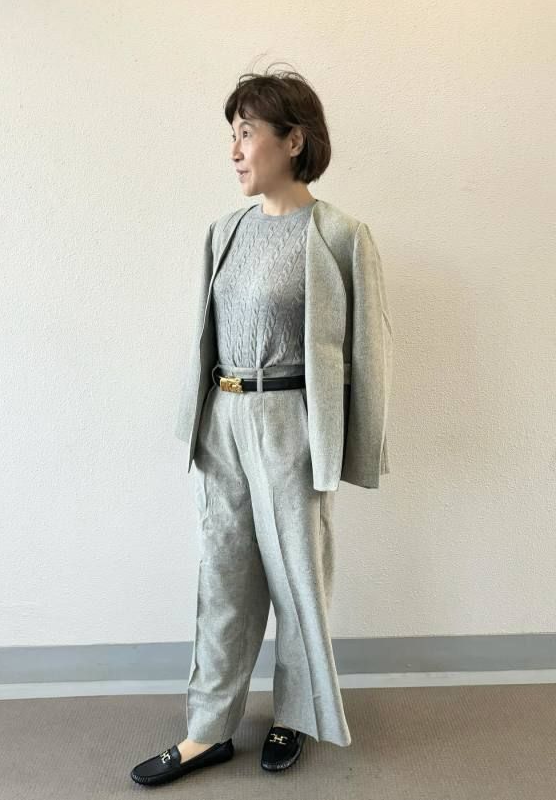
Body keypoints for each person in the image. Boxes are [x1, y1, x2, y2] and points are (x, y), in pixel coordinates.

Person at [131, 64, 393, 787]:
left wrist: (353, 452)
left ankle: (294, 716)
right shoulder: (224, 232)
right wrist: (196, 425)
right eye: (232, 134)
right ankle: (207, 730)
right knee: (222, 576)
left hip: (290, 422)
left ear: (293, 140)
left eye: (246, 133)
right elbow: (203, 336)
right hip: (223, 419)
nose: (234, 150)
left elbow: (369, 353)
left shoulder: (340, 235)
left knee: (297, 576)